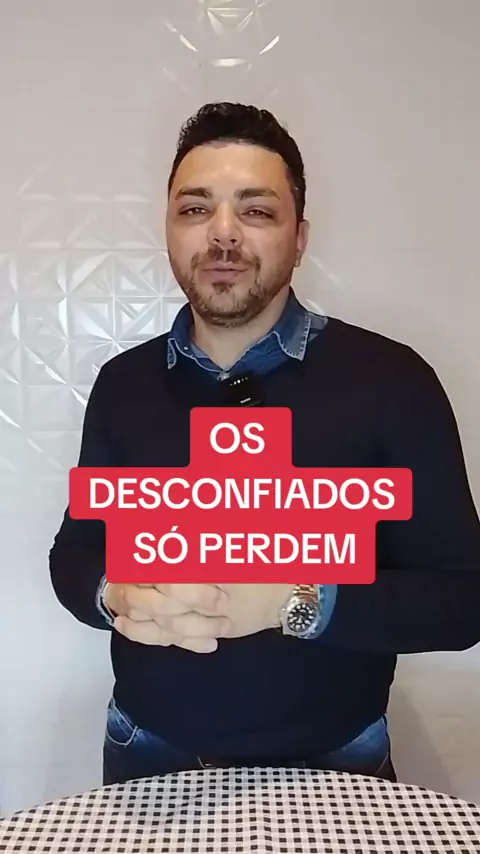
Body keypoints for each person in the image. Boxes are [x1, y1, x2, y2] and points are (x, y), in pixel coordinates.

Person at [49, 102, 480, 787]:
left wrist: (292, 599)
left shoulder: (395, 382)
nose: (223, 232)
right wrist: (114, 594)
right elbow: (75, 554)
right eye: (195, 208)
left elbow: (462, 601)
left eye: (256, 210)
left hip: (336, 762)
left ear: (299, 237)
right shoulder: (122, 384)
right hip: (144, 751)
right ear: (168, 227)